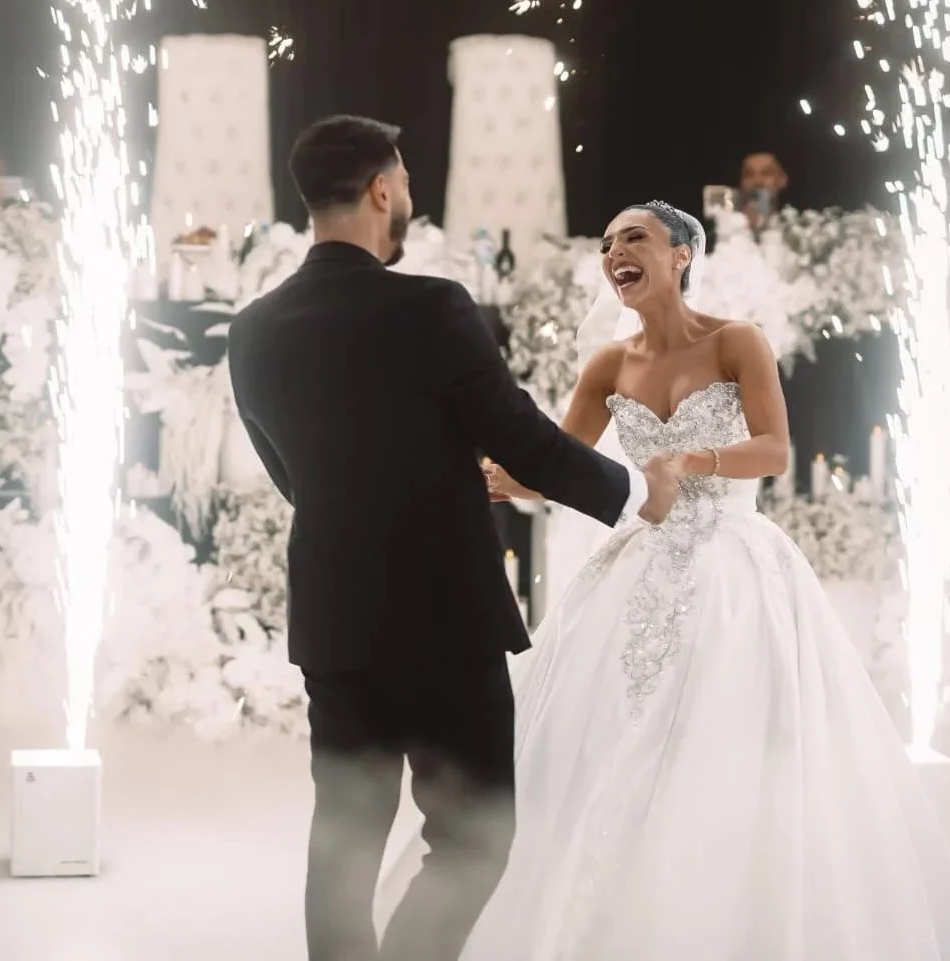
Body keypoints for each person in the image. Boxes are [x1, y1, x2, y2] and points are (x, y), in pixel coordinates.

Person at [381, 201, 950, 960]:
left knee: (727, 746)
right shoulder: (608, 364)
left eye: (635, 237)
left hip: (735, 567)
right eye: (606, 245)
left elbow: (773, 451)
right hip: (635, 567)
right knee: (598, 742)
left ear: (683, 254)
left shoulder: (738, 341)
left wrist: (693, 461)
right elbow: (563, 463)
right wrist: (497, 477)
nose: (615, 253)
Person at [227, 117, 680, 961]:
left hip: (337, 625)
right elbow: (523, 440)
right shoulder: (432, 306)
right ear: (381, 191)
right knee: (473, 841)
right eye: (403, 184)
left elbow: (293, 477)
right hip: (443, 627)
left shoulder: (251, 328)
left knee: (344, 849)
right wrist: (635, 491)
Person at [739, 148, 789, 233]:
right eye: (749, 174)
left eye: (766, 173)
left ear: (782, 180)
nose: (757, 182)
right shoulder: (725, 231)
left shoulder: (795, 231)